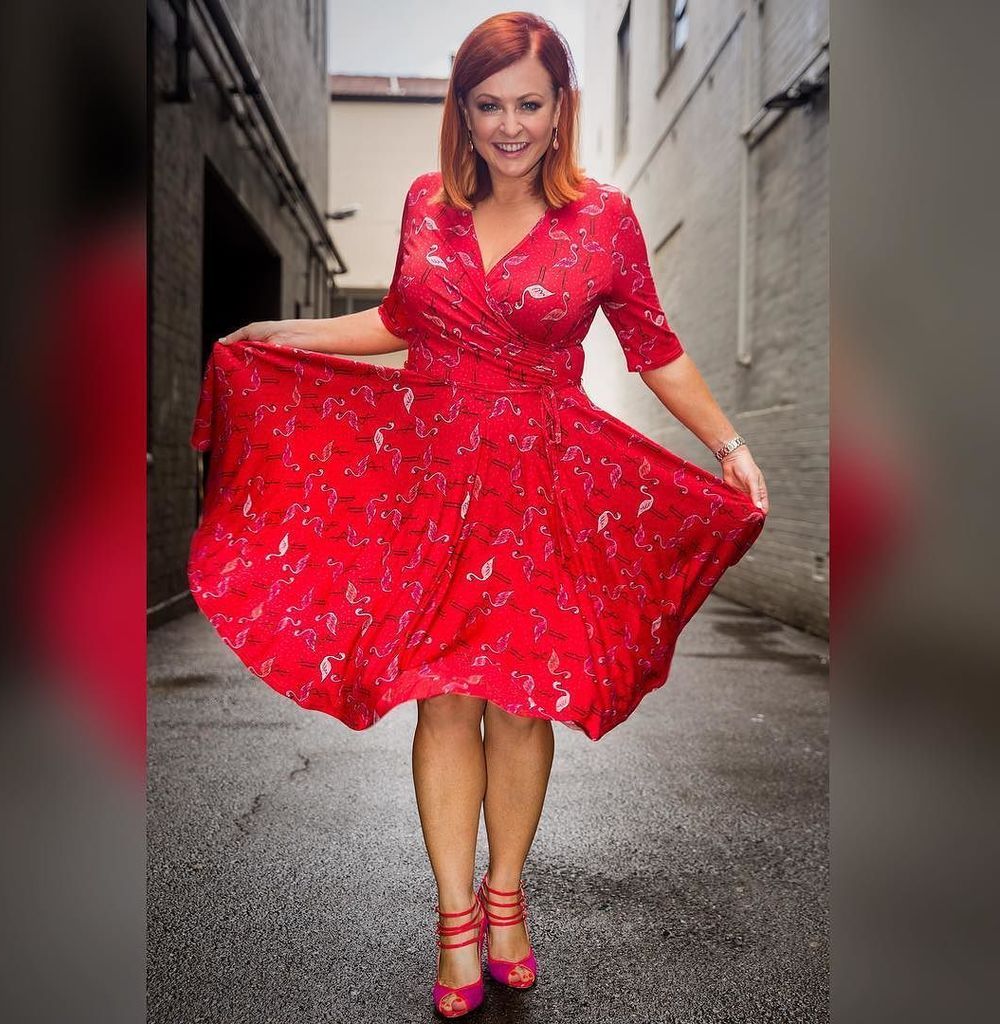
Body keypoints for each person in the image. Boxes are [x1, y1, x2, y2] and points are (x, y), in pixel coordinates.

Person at [191, 12, 768, 1019]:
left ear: (560, 108)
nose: (509, 125)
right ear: (462, 110)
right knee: (446, 700)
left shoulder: (605, 218)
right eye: (488, 104)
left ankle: (507, 902)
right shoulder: (427, 203)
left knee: (521, 701)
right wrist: (284, 332)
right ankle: (456, 921)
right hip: (434, 486)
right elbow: (398, 321)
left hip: (540, 491)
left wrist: (729, 445)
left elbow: (654, 347)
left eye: (528, 105)